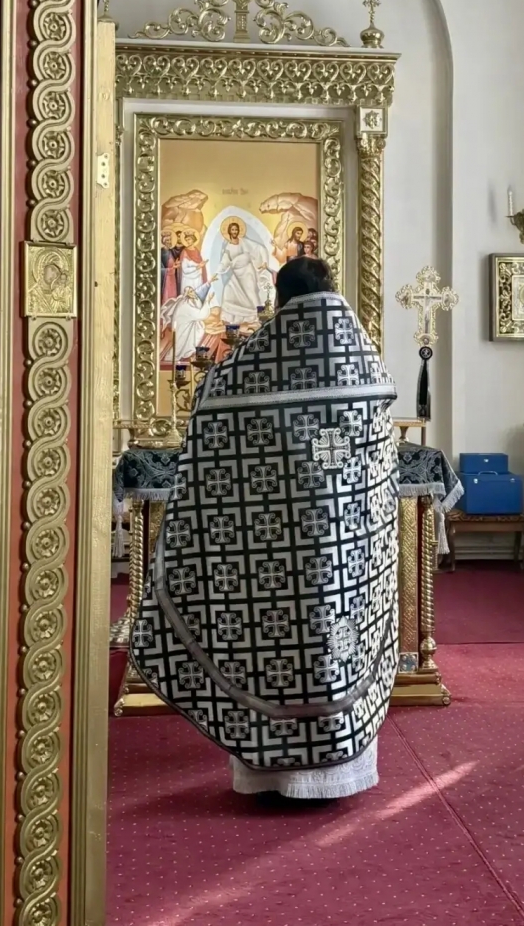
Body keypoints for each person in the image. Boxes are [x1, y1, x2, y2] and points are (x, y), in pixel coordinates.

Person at [131, 257, 400, 800]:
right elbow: (378, 461)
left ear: (279, 297)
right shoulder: (363, 360)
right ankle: (340, 770)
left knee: (272, 643)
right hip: (347, 551)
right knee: (339, 640)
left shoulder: (248, 366)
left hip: (273, 550)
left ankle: (272, 776)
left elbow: (208, 440)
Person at [216, 219, 270, 324]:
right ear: (229, 231)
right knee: (228, 290)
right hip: (236, 274)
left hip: (248, 272)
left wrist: (264, 261)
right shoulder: (228, 247)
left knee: (252, 294)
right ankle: (233, 317)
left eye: (236, 229)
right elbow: (224, 261)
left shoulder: (244, 241)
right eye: (233, 230)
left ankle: (261, 316)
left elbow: (259, 248)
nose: (235, 231)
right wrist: (218, 272)